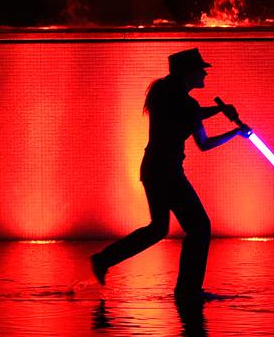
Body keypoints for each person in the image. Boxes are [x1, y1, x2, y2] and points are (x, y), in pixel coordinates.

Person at [89, 48, 252, 303]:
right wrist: (236, 133)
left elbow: (192, 113)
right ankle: (188, 291)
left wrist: (219, 111)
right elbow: (204, 143)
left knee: (158, 228)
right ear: (189, 74)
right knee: (199, 227)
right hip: (168, 173)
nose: (205, 74)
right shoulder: (186, 103)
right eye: (201, 70)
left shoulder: (164, 93)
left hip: (153, 169)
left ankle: (103, 259)